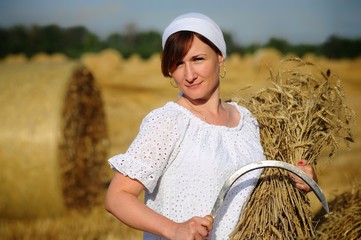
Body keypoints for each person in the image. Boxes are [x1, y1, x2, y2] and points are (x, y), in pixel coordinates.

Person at [105, 12, 317, 240]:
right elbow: (117, 197)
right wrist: (174, 229)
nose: (189, 75)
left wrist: (299, 177)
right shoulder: (168, 122)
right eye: (178, 64)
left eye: (198, 59)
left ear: (220, 57)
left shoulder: (248, 122)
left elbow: (262, 192)